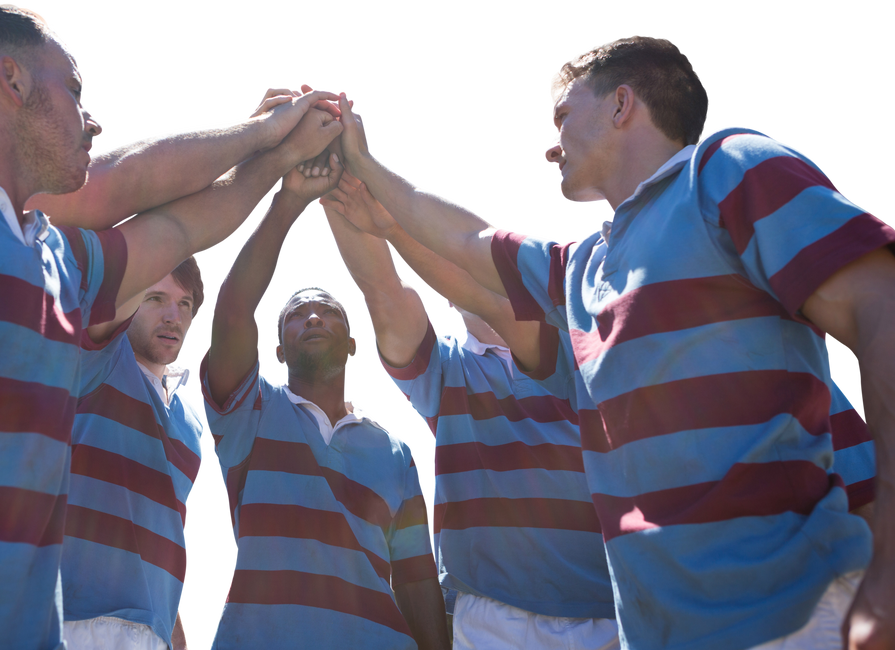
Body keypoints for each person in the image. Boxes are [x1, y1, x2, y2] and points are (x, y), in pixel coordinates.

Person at [327, 34, 895, 650]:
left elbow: (883, 314)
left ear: (622, 104)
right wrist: (366, 171)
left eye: (561, 117)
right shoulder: (585, 269)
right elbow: (473, 246)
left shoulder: (728, 167)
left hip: (792, 619)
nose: (549, 148)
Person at [0, 2, 342, 647]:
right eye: (77, 91)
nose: (93, 121)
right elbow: (128, 183)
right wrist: (262, 133)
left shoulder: (64, 265)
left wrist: (277, 145)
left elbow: (184, 222)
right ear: (12, 80)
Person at [319, 174, 619, 649]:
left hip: (606, 615)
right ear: (447, 289)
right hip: (485, 617)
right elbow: (382, 289)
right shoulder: (445, 369)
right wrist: (332, 181)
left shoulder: (579, 348)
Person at [196, 144, 449, 649]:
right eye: (295, 315)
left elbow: (418, 580)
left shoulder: (396, 453)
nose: (313, 317)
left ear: (355, 345)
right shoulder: (249, 413)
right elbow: (234, 309)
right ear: (277, 351)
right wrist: (288, 202)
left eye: (329, 311)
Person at [61, 257, 210, 650]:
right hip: (74, 618)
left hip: (150, 631)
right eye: (155, 298)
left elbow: (162, 538)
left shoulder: (191, 422)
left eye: (184, 304)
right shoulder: (98, 360)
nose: (172, 315)